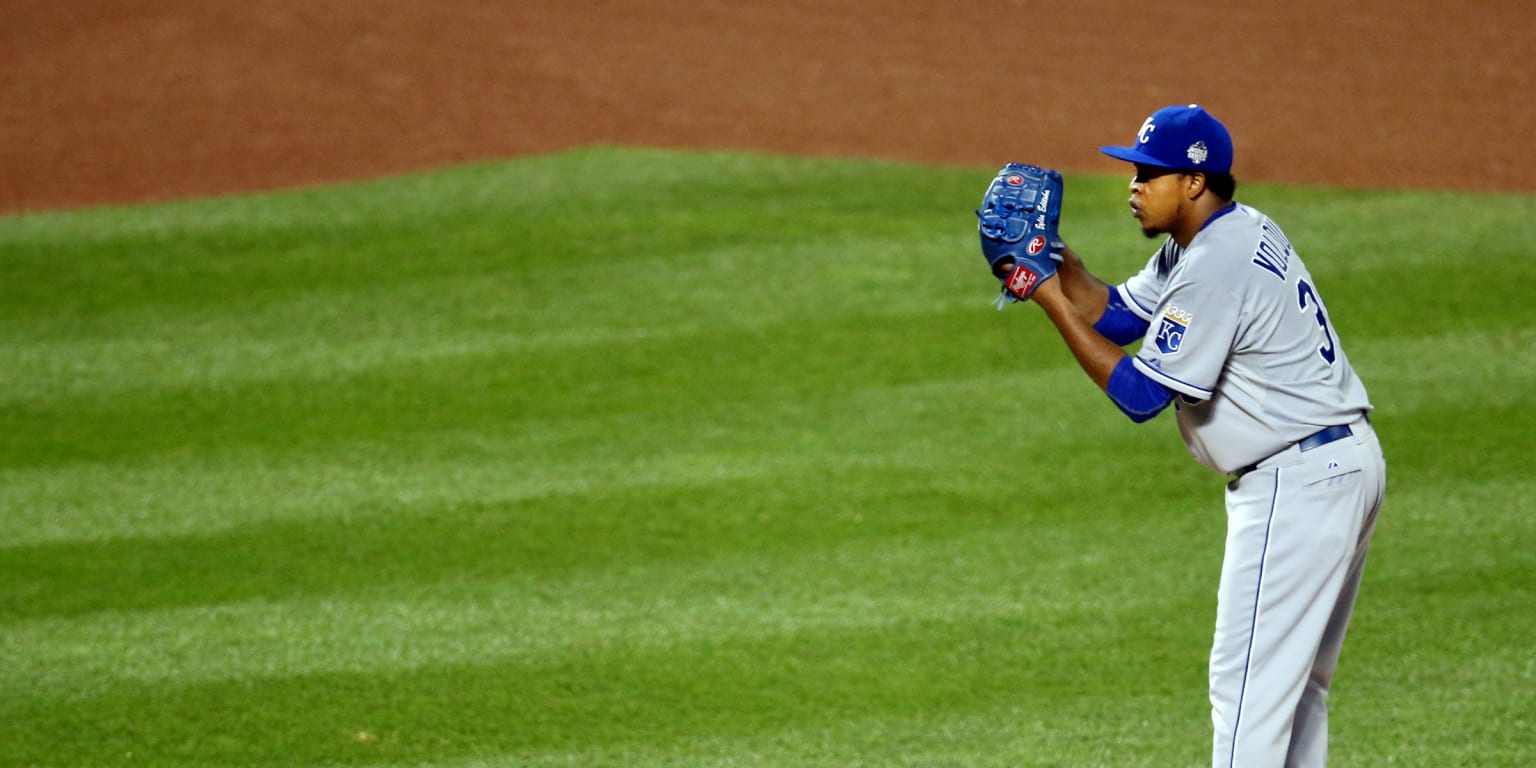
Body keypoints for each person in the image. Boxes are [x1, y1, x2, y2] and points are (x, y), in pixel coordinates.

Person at [1026, 104, 1387, 767]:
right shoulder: (1218, 236)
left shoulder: (1215, 267)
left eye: (1149, 174)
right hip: (1338, 463)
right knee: (1295, 689)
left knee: (1248, 690)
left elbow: (1141, 395)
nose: (1133, 187)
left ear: (1194, 182)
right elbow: (1118, 316)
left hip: (1297, 482)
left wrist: (1046, 296)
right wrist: (1054, 259)